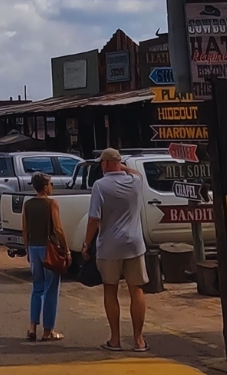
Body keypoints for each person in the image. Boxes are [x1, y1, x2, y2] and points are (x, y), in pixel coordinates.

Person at [82, 148, 148, 353]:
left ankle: (115, 339)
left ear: (106, 164)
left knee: (110, 290)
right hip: (135, 244)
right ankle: (139, 340)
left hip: (109, 246)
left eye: (103, 163)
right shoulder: (135, 183)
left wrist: (86, 244)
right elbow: (136, 173)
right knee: (136, 290)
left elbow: (94, 218)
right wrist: (121, 166)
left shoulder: (100, 186)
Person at [22, 171, 68, 342]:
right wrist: (66, 249)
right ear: (45, 187)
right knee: (51, 289)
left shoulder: (28, 204)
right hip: (48, 249)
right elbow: (58, 228)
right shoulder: (51, 204)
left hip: (33, 248)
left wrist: (27, 249)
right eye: (50, 184)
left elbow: (25, 229)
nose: (52, 186)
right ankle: (48, 331)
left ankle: (32, 326)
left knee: (37, 288)